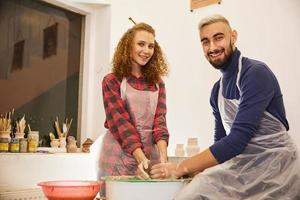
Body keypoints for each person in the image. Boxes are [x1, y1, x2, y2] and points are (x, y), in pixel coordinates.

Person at [150, 14, 300, 199]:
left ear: (233, 36)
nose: (212, 47)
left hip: (277, 170)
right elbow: (221, 141)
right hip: (244, 168)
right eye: (205, 42)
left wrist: (181, 168)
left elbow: (237, 140)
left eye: (218, 38)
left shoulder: (255, 73)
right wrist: (195, 171)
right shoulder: (217, 91)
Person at [99, 22, 170, 183]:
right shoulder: (112, 81)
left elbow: (160, 121)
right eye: (141, 44)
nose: (146, 51)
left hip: (148, 157)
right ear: (128, 46)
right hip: (116, 158)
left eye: (151, 46)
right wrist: (140, 157)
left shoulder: (158, 84)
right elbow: (120, 123)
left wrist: (163, 158)